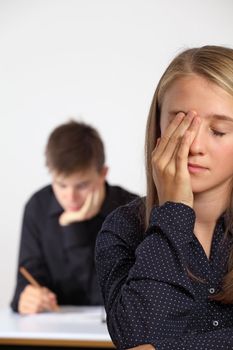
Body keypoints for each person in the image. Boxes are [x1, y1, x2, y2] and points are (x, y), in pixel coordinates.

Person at [95, 45, 233, 350]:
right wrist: (174, 211)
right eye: (180, 124)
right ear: (157, 125)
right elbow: (137, 339)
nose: (194, 145)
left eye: (219, 131)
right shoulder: (123, 227)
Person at [11, 120, 137, 315]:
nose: (70, 197)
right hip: (53, 331)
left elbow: (106, 296)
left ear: (103, 174)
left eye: (81, 185)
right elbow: (26, 280)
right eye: (61, 185)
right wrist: (26, 297)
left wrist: (73, 228)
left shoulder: (131, 209)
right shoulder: (37, 207)